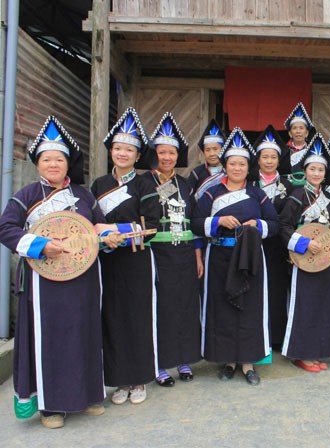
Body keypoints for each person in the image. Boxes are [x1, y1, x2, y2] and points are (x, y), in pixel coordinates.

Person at [0, 117, 122, 428]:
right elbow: (6, 229)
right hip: (45, 283)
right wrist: (41, 245)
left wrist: (108, 236)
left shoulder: (84, 196)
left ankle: (88, 396)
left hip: (84, 279)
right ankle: (51, 406)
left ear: (68, 163)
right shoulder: (25, 196)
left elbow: (96, 227)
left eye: (58, 159)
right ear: (37, 164)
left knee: (84, 333)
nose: (53, 164)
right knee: (52, 339)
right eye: (46, 159)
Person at [191, 128, 279, 386]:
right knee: (223, 308)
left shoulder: (257, 194)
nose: (237, 168)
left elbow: (274, 223)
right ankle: (228, 360)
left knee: (250, 308)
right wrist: (217, 221)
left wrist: (257, 225)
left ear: (248, 167)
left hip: (250, 258)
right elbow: (195, 222)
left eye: (242, 164)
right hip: (219, 257)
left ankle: (248, 362)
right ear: (225, 165)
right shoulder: (211, 193)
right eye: (232, 163)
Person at [90, 107, 160, 405]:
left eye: (129, 149)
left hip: (136, 260)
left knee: (136, 317)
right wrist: (104, 236)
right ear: (111, 151)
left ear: (137, 154)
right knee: (112, 317)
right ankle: (118, 380)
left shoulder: (145, 184)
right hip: (107, 260)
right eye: (118, 148)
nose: (122, 153)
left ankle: (139, 378)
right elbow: (91, 223)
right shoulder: (99, 185)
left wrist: (116, 230)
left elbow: (152, 225)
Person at [143, 112, 203, 387]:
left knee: (185, 306)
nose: (167, 157)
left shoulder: (185, 184)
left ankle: (183, 359)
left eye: (172, 153)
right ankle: (160, 362)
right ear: (154, 154)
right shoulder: (144, 183)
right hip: (158, 254)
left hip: (185, 254)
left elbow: (194, 220)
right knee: (162, 307)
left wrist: (198, 255)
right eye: (162, 152)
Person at [279, 134, 330, 372]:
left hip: (325, 259)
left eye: (320, 170)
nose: (316, 173)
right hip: (304, 259)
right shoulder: (296, 196)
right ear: (305, 171)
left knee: (324, 304)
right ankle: (301, 354)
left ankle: (317, 351)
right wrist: (304, 243)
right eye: (312, 169)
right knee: (305, 305)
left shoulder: (329, 198)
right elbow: (284, 226)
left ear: (325, 174)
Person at [250, 125, 293, 349]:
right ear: (257, 159)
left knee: (277, 289)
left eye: (273, 157)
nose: (269, 161)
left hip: (279, 246)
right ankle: (256, 336)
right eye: (264, 157)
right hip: (253, 244)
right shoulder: (249, 184)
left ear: (279, 159)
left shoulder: (288, 185)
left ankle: (276, 337)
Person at [188, 118, 225, 195]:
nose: (212, 153)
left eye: (215, 149)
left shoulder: (230, 171)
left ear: (222, 150)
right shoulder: (196, 173)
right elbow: (189, 196)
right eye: (208, 150)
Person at [284, 102, 314, 187]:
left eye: (301, 128)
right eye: (294, 128)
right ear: (290, 133)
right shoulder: (284, 151)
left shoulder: (312, 151)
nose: (298, 131)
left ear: (307, 133)